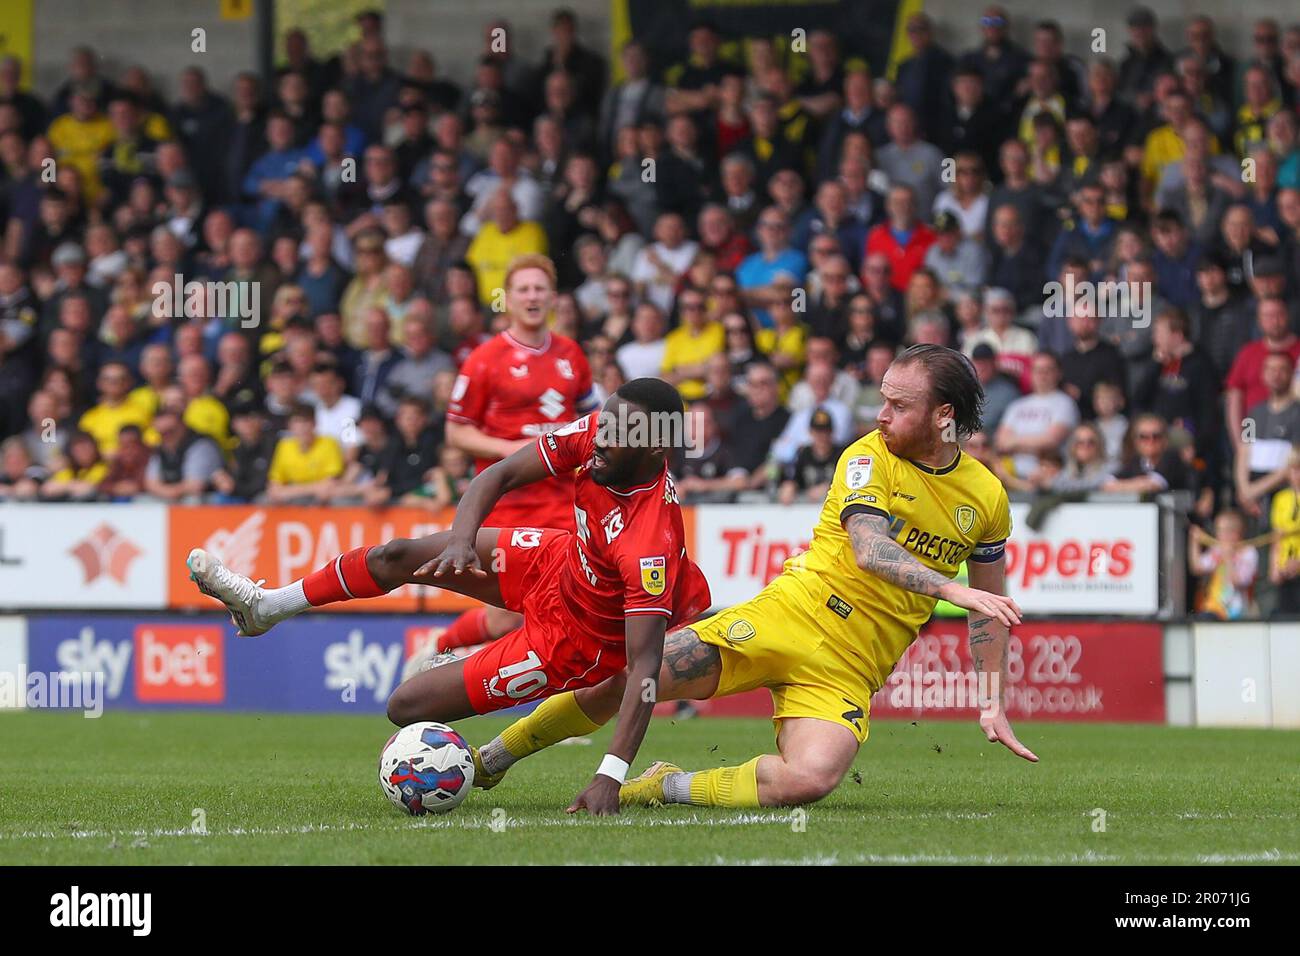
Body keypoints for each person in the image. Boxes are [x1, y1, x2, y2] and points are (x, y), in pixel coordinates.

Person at [474, 345, 1034, 810]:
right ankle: (491, 759)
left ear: (943, 416)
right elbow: (869, 547)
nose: (880, 415)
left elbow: (991, 611)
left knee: (811, 780)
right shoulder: (868, 457)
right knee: (626, 683)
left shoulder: (986, 497)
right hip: (788, 616)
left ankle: (663, 786)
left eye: (898, 405)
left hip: (851, 666)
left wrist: (991, 699)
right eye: (881, 399)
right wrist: (950, 588)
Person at [186, 379, 710, 816]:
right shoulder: (602, 433)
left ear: (655, 447)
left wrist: (609, 777)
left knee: (405, 706)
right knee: (398, 554)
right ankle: (266, 607)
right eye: (604, 423)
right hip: (552, 562)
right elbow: (500, 474)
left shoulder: (650, 544)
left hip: (571, 641)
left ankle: (467, 682)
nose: (599, 439)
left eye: (616, 435)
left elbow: (642, 667)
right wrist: (462, 537)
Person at [434, 254, 596, 662]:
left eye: (540, 288)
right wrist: (513, 453)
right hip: (508, 502)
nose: (532, 296)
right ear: (506, 298)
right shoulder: (484, 359)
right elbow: (456, 431)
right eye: (523, 289)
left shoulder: (571, 355)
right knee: (506, 618)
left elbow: (593, 420)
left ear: (553, 297)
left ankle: (562, 721)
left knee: (568, 611)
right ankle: (436, 651)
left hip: (563, 503)